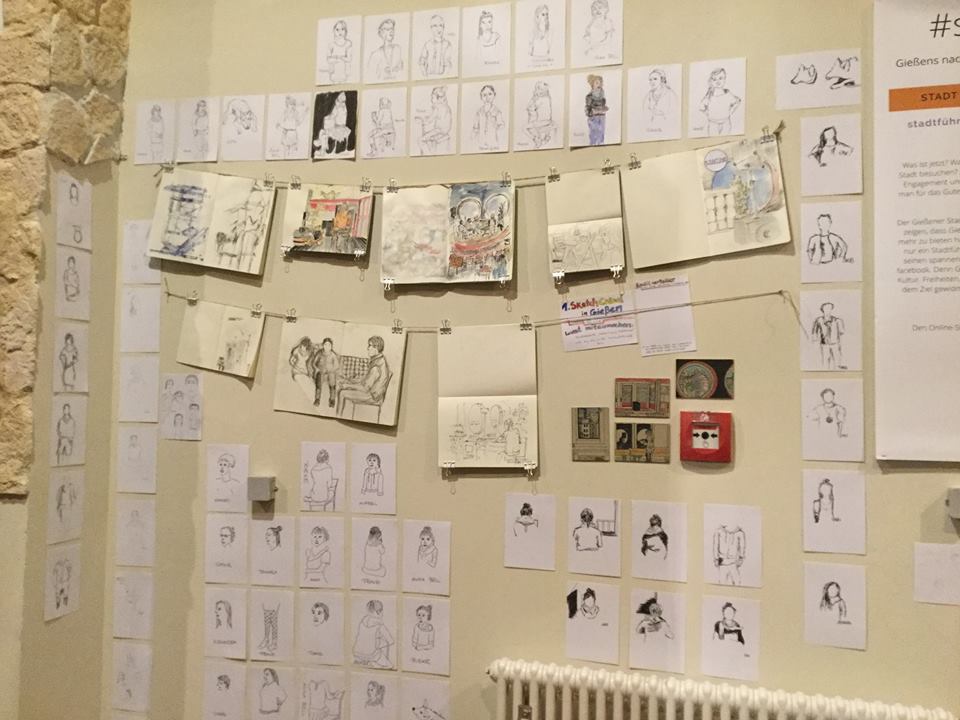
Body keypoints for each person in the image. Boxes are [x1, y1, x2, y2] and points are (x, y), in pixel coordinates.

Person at [336, 336, 391, 415]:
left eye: (370, 345)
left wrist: (347, 385)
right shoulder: (379, 360)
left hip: (373, 397)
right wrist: (349, 381)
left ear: (376, 348)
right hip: (373, 393)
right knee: (345, 389)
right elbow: (365, 381)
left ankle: (338, 416)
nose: (368, 348)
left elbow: (365, 388)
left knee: (342, 393)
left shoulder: (376, 367)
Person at [698, 68, 741, 136]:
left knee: (726, 139)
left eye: (720, 78)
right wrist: (708, 114)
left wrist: (731, 112)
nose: (718, 81)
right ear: (711, 82)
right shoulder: (709, 96)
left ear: (724, 79)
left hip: (726, 122)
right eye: (714, 79)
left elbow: (738, 101)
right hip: (713, 123)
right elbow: (701, 107)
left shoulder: (728, 94)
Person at [353, 599, 395, 667]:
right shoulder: (379, 625)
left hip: (356, 653)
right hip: (371, 655)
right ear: (378, 612)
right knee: (390, 666)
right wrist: (379, 643)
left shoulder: (363, 621)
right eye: (381, 610)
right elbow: (391, 640)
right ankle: (372, 662)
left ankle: (365, 661)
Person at [416, 86, 453, 154]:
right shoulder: (446, 107)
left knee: (420, 140)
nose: (431, 99)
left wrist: (421, 120)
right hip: (444, 131)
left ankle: (428, 154)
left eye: (432, 97)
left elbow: (429, 121)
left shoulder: (437, 108)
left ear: (438, 99)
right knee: (428, 138)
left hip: (439, 131)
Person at [811, 302, 845, 369]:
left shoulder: (837, 320)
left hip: (835, 344)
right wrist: (815, 340)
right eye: (826, 308)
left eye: (830, 308)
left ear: (831, 309)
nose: (828, 310)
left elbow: (842, 332)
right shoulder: (819, 320)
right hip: (824, 344)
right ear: (822, 310)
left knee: (837, 362)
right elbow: (814, 332)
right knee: (826, 363)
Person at [308, 337, 340, 408]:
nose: (327, 346)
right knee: (318, 385)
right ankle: (317, 399)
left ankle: (332, 400)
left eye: (329, 345)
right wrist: (317, 369)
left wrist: (331, 370)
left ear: (331, 346)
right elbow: (314, 363)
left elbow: (337, 365)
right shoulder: (319, 353)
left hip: (330, 372)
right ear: (323, 345)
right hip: (321, 371)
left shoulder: (333, 355)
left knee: (332, 385)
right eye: (325, 344)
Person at [473, 84, 505, 150]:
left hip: (493, 143)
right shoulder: (479, 112)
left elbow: (501, 126)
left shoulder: (497, 111)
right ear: (481, 97)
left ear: (494, 95)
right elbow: (475, 128)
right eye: (484, 95)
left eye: (490, 94)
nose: (487, 97)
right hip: (481, 143)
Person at [525, 81, 556, 148]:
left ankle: (537, 139)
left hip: (543, 121)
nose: (537, 90)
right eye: (536, 88)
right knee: (530, 126)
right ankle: (541, 139)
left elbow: (530, 108)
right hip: (544, 121)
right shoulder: (547, 98)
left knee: (524, 128)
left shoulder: (542, 99)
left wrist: (533, 99)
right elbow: (529, 108)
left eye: (539, 89)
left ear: (545, 91)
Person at [276, 94, 307, 158]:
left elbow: (299, 122)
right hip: (286, 134)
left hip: (293, 134)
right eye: (291, 104)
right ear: (287, 105)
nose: (292, 106)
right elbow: (278, 124)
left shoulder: (296, 113)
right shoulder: (285, 112)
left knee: (292, 153)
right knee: (285, 152)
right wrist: (282, 129)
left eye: (293, 104)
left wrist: (304, 113)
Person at [326, 19, 353, 84]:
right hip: (334, 73)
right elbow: (328, 59)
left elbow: (349, 59)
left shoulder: (348, 43)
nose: (340, 32)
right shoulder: (331, 44)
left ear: (345, 31)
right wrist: (340, 58)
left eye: (342, 29)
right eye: (337, 29)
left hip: (344, 72)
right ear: (334, 31)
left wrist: (337, 57)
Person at [584, 74, 609, 145]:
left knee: (601, 137)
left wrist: (604, 109)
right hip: (593, 119)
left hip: (602, 118)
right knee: (594, 137)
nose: (599, 85)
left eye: (601, 83)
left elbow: (603, 106)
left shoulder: (602, 97)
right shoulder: (589, 96)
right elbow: (587, 110)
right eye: (597, 83)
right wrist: (593, 112)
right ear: (592, 84)